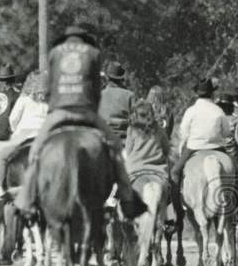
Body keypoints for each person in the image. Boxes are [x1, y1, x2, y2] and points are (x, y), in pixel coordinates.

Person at [14, 25, 146, 219]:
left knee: (35, 151)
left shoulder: (54, 55)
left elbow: (49, 89)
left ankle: (27, 199)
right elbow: (94, 91)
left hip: (59, 113)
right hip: (86, 112)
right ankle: (126, 198)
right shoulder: (92, 54)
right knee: (116, 149)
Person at [0, 70, 49, 198]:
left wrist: (14, 130)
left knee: (2, 156)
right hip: (44, 136)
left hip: (24, 134)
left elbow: (13, 118)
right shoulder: (49, 100)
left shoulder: (24, 98)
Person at [170, 78, 230, 191]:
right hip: (218, 148)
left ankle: (178, 208)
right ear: (212, 93)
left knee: (174, 172)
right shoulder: (218, 110)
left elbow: (183, 132)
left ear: (197, 94)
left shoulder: (191, 111)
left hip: (194, 148)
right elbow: (226, 132)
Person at [125, 100, 171, 184]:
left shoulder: (131, 130)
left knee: (121, 187)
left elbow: (128, 151)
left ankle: (116, 196)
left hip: (135, 168)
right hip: (158, 169)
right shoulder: (160, 130)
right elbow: (166, 150)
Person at [98, 61, 134, 145]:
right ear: (122, 79)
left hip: (104, 140)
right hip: (124, 141)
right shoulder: (130, 96)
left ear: (107, 78)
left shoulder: (99, 95)